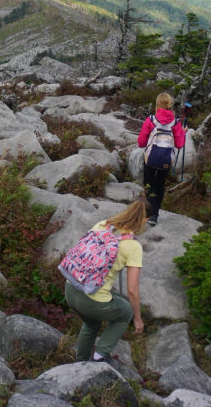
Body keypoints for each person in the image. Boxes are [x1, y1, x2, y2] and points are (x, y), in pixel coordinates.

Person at [63, 201, 147, 363]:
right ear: (144, 220)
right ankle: (99, 356)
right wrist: (137, 318)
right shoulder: (133, 246)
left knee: (91, 324)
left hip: (71, 288)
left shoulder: (103, 224)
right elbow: (132, 290)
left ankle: (80, 361)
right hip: (91, 300)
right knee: (126, 312)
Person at [137, 92, 186, 226]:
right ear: (170, 105)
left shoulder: (151, 120)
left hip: (150, 158)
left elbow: (141, 142)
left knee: (148, 184)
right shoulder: (176, 123)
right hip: (166, 160)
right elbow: (179, 144)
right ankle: (155, 214)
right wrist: (183, 132)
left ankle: (150, 212)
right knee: (160, 184)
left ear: (157, 104)